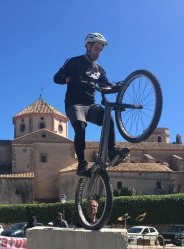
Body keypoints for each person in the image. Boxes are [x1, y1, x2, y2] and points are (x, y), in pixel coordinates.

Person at [54, 33, 129, 177]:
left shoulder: (99, 69)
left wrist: (118, 86)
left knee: (109, 119)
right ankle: (81, 164)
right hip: (74, 104)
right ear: (88, 46)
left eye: (100, 50)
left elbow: (107, 85)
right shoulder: (73, 62)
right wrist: (69, 79)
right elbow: (56, 78)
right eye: (96, 48)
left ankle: (112, 151)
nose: (98, 52)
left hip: (91, 105)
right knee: (80, 128)